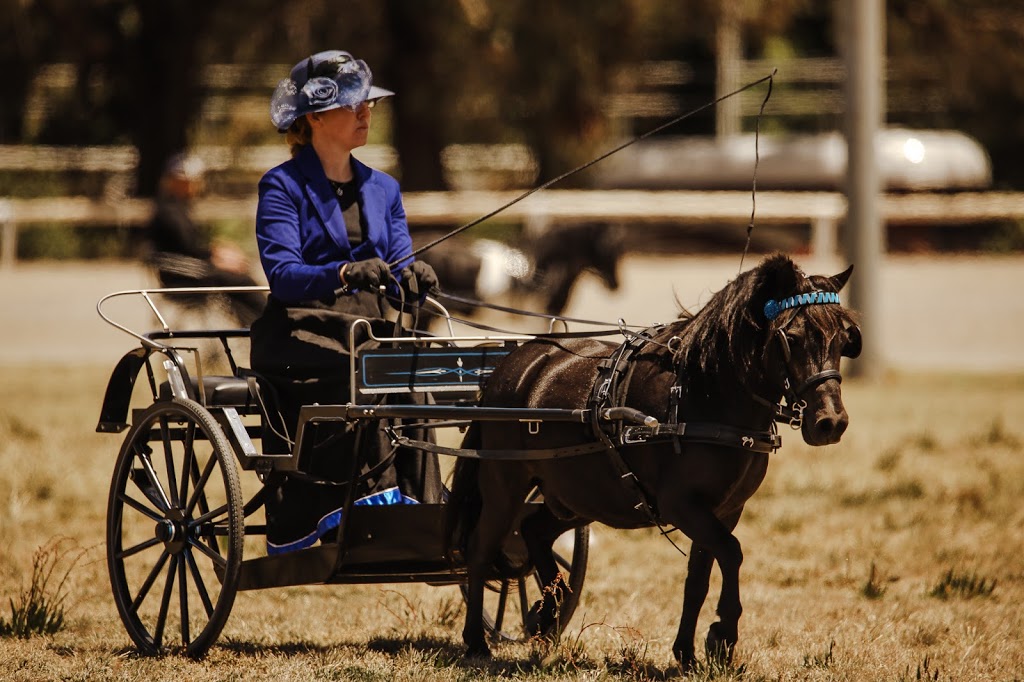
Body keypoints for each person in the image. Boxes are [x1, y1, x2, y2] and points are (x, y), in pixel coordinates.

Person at [249, 49, 441, 555]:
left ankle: (422, 506)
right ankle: (369, 508)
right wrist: (341, 272)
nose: (366, 113)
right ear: (313, 117)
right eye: (353, 105)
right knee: (367, 371)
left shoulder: (384, 189)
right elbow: (283, 276)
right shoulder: (282, 187)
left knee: (415, 372)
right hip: (298, 336)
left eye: (369, 104)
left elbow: (399, 266)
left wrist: (412, 275)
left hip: (366, 335)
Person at [146, 152, 266, 325]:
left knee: (238, 274)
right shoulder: (170, 211)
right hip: (184, 276)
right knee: (241, 280)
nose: (197, 184)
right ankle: (262, 321)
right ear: (178, 182)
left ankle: (254, 322)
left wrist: (218, 251)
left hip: (187, 271)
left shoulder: (176, 207)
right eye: (192, 180)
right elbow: (187, 247)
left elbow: (190, 245)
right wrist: (216, 258)